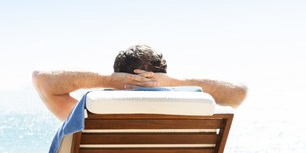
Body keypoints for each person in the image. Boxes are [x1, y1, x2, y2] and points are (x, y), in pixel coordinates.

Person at [32, 44, 248, 121]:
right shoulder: (190, 115)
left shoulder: (89, 117)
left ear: (119, 78)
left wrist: (106, 81)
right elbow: (238, 93)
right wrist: (174, 82)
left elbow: (41, 80)